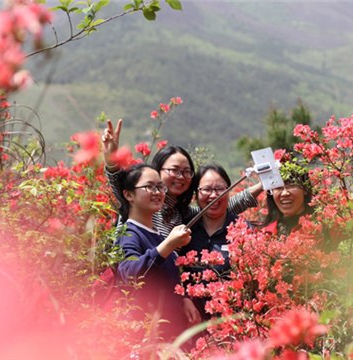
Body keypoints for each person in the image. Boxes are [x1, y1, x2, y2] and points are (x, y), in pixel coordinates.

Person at [102, 119, 262, 237]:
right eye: (174, 170)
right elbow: (118, 181)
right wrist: (111, 159)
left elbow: (219, 203)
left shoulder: (182, 214)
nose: (181, 177)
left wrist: (262, 185)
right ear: (158, 170)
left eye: (186, 171)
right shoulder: (142, 200)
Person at [114, 163, 201, 340]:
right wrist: (168, 245)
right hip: (144, 339)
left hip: (168, 338)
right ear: (128, 194)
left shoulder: (159, 236)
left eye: (160, 187)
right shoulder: (129, 234)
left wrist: (183, 298)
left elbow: (166, 281)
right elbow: (130, 273)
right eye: (149, 187)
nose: (158, 192)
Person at [178, 164, 240, 319]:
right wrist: (183, 297)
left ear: (228, 190)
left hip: (231, 321)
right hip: (191, 321)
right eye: (206, 189)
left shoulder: (241, 230)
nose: (214, 195)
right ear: (196, 194)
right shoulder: (184, 230)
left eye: (220, 189)